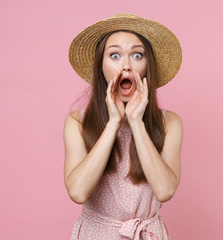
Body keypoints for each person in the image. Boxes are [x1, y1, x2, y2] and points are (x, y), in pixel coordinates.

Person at [64, 13, 183, 240]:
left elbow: (165, 190)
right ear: (101, 66)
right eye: (115, 55)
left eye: (137, 55)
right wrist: (113, 123)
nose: (126, 66)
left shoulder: (170, 123)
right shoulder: (77, 123)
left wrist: (137, 123)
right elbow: (77, 192)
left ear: (148, 66)